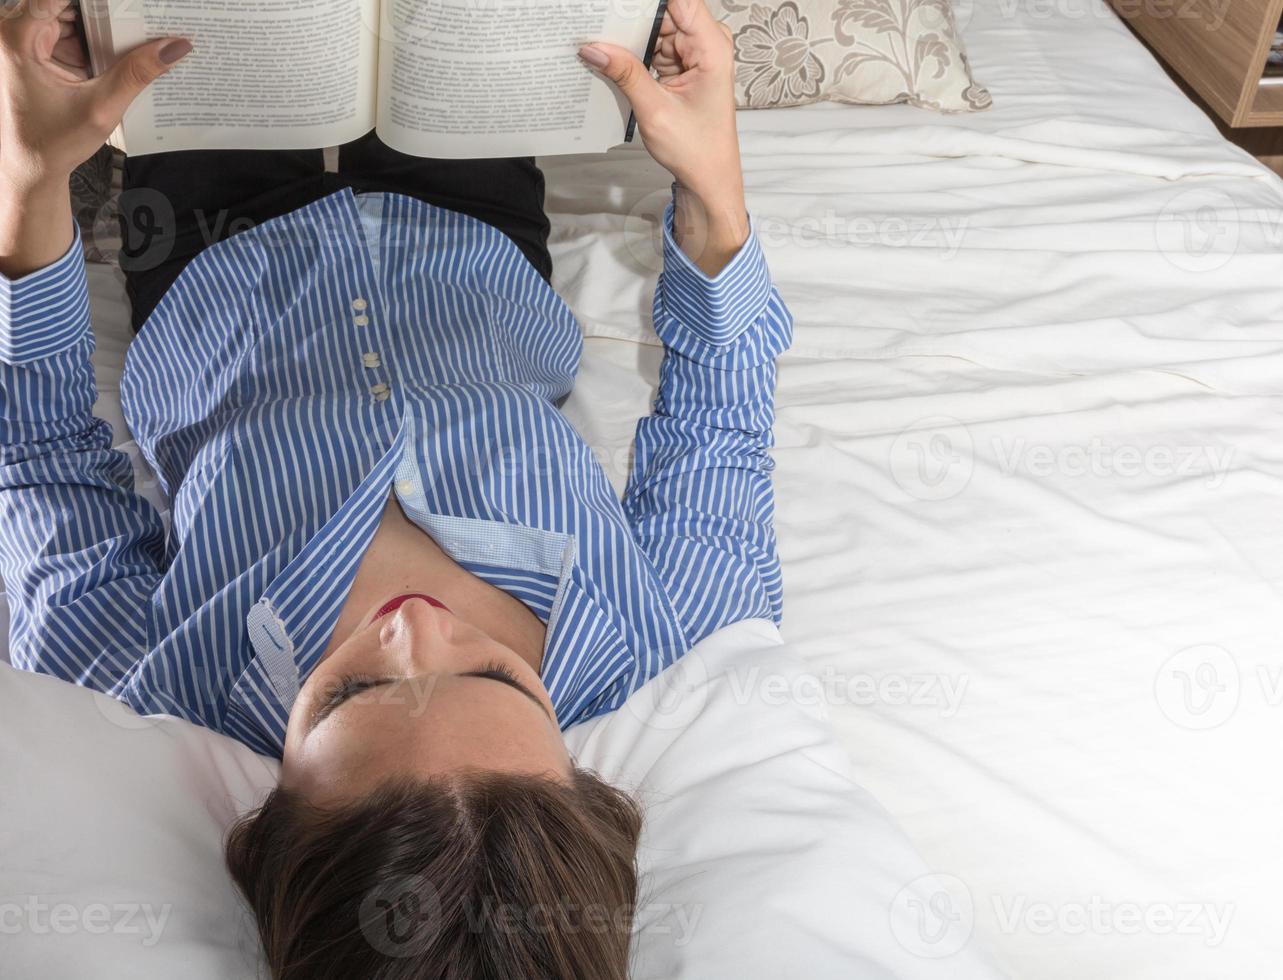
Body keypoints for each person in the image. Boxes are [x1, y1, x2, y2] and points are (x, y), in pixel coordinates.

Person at [0, 0, 792, 975]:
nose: (412, 625)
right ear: (582, 779)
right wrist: (711, 171)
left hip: (214, 246)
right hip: (473, 234)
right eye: (495, 672)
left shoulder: (137, 693)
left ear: (265, 819)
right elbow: (721, 417)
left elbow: (37, 455)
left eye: (353, 691)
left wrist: (33, 177)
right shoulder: (675, 647)